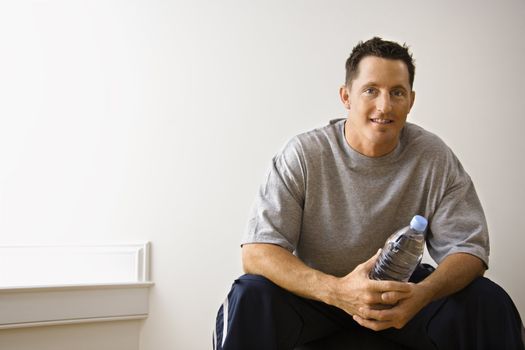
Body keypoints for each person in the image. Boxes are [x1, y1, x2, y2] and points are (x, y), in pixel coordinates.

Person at [213, 37, 525, 350]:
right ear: (346, 96)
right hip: (321, 295)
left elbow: (470, 249)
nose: (384, 106)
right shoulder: (304, 154)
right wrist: (337, 291)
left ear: (411, 101)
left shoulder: (433, 156)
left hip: (403, 295)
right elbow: (257, 251)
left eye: (397, 92)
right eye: (371, 90)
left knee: (488, 300)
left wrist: (424, 294)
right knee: (250, 294)